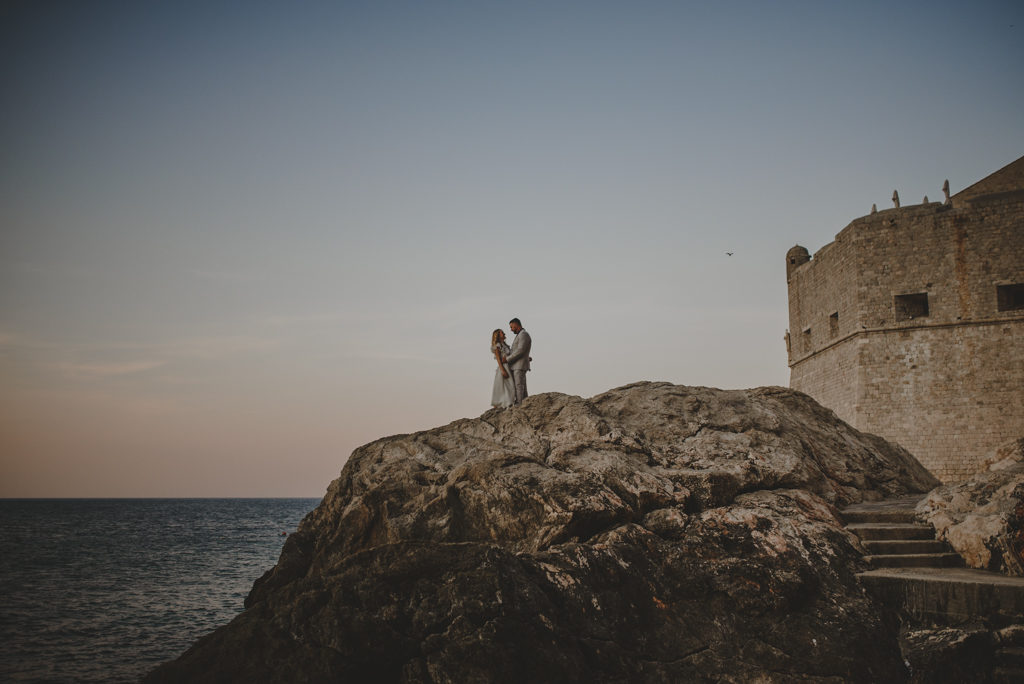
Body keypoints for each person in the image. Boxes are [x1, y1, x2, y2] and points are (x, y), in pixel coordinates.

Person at [505, 317, 531, 405]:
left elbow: (520, 350)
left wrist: (507, 359)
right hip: (517, 365)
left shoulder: (523, 334)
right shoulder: (520, 335)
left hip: (519, 366)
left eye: (512, 327)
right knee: (521, 387)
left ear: (516, 325)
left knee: (519, 386)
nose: (511, 329)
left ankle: (519, 404)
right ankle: (524, 404)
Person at [490, 329, 515, 408]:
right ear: (497, 335)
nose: (504, 333)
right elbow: (498, 359)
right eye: (502, 332)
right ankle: (502, 404)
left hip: (509, 366)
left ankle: (509, 403)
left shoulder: (505, 345)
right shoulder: (497, 345)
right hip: (503, 367)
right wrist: (502, 370)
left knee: (510, 386)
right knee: (503, 386)